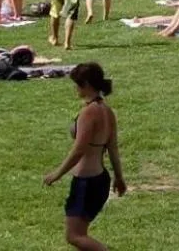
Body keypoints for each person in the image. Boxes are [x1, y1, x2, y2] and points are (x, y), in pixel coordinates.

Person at [43, 62, 125, 251]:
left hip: (86, 182)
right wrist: (119, 178)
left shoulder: (89, 112)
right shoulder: (107, 111)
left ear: (86, 84)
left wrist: (57, 174)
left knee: (75, 236)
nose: (75, 88)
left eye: (77, 84)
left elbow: (79, 149)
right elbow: (112, 148)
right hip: (100, 179)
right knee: (80, 234)